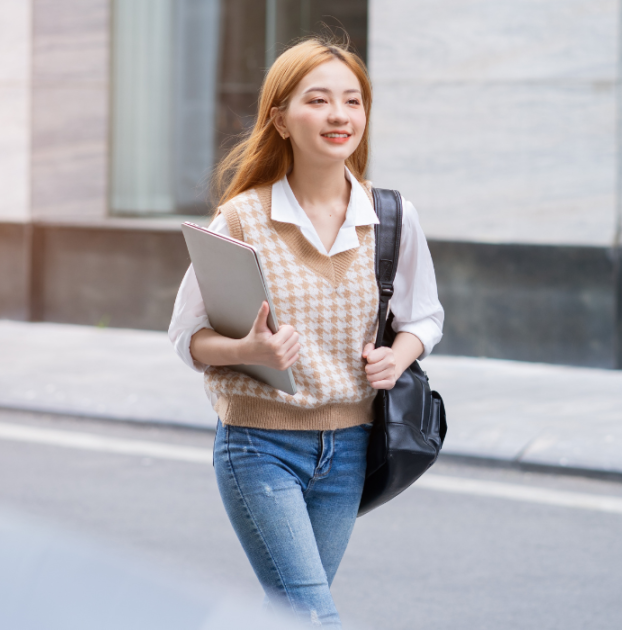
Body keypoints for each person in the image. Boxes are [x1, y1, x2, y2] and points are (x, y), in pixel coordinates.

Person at [168, 37, 444, 628]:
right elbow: (187, 336)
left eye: (352, 101)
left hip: (349, 449)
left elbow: (424, 316)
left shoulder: (393, 216)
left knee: (291, 614)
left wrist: (399, 357)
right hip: (259, 446)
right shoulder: (242, 217)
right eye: (317, 100)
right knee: (313, 614)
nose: (339, 115)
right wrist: (247, 350)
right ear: (281, 120)